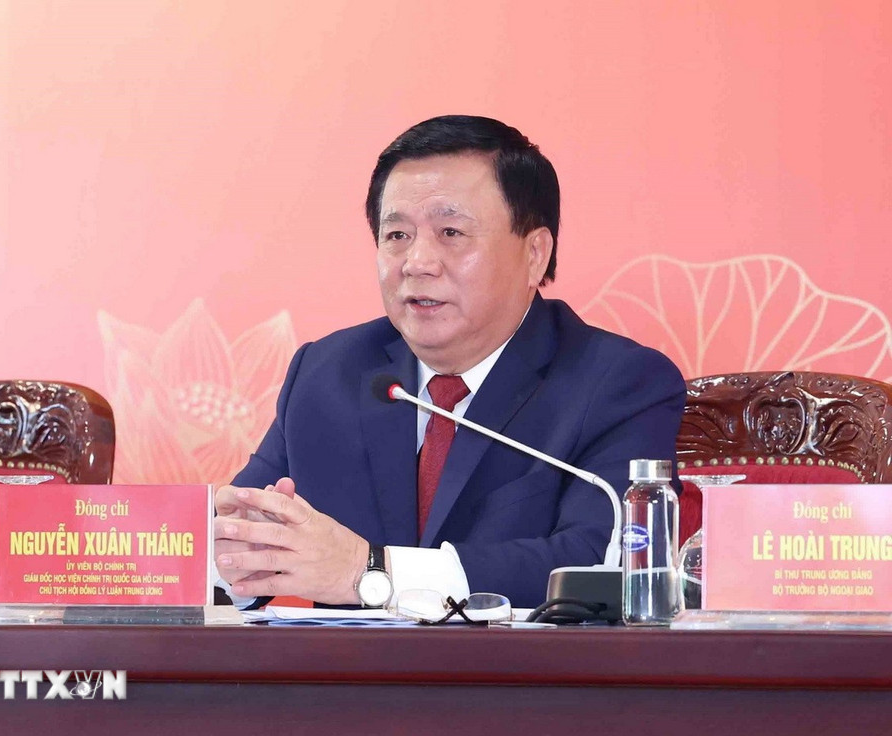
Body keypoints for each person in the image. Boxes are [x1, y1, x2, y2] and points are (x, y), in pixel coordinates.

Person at [214, 115, 686, 609]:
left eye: (451, 232)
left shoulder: (619, 383)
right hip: (348, 663)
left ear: (535, 254)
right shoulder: (328, 373)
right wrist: (228, 556)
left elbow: (605, 563)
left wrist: (368, 572)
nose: (418, 262)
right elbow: (240, 543)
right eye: (397, 235)